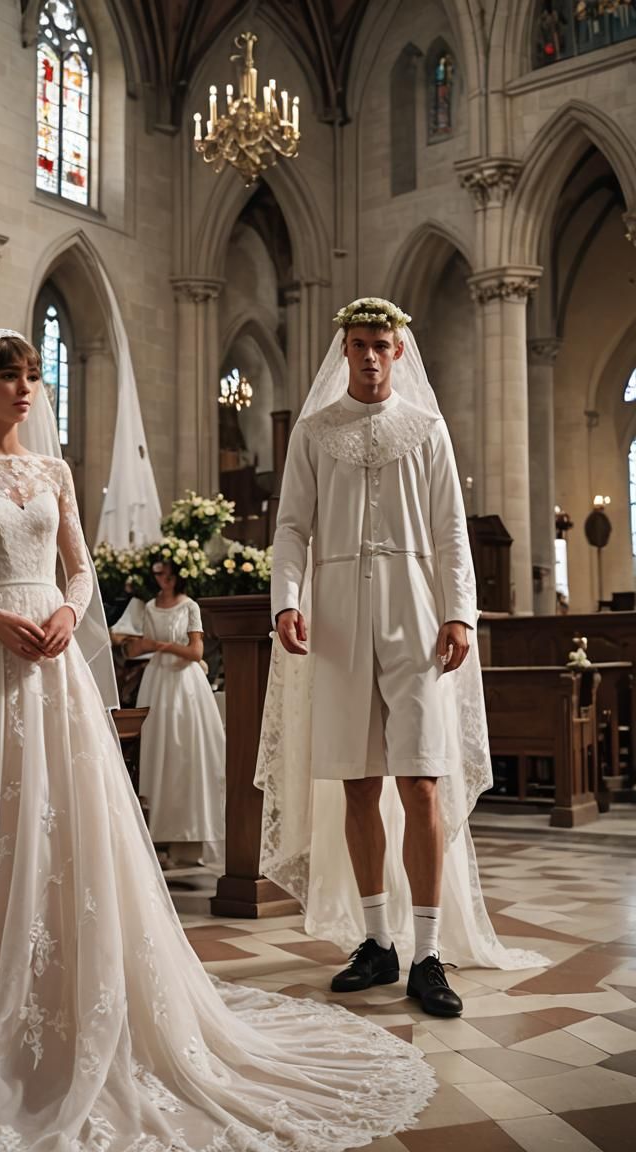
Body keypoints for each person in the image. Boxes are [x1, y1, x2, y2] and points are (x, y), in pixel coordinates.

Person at [0, 328, 437, 1150]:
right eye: (11, 376)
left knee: (71, 820)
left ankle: (77, 995)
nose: (26, 388)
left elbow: (81, 569)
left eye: (33, 376)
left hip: (53, 662)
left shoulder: (54, 471)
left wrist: (68, 612)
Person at [256, 298, 546, 1020]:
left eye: (381, 344)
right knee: (357, 784)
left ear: (399, 352)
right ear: (344, 351)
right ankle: (378, 941)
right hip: (336, 620)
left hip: (415, 616)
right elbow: (291, 527)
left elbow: (452, 531)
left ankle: (427, 954)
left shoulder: (427, 430)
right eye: (358, 344)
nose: (369, 355)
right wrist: (285, 600)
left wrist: (458, 613)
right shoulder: (314, 432)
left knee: (420, 781)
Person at [126, 558, 225, 867]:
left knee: (186, 750)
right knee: (158, 748)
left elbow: (196, 651)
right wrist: (141, 645)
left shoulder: (190, 606)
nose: (163, 578)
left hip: (185, 683)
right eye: (158, 573)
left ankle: (190, 834)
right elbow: (141, 645)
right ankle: (157, 834)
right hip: (157, 680)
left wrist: (161, 645)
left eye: (168, 573)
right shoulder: (149, 606)